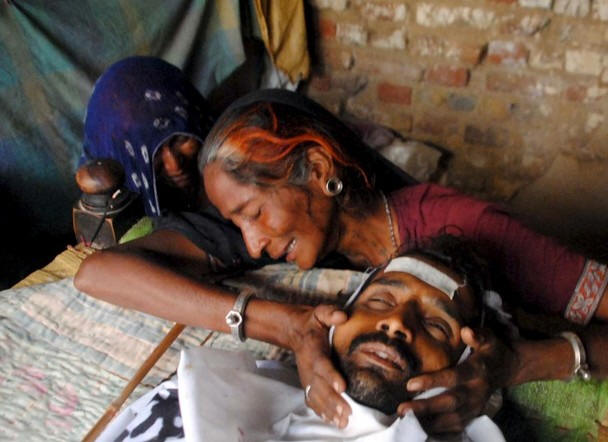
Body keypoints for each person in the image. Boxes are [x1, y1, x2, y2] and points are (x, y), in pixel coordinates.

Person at [74, 89, 608, 435]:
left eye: (254, 213)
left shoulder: (471, 229)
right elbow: (97, 273)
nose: (252, 244)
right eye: (238, 222)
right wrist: (287, 324)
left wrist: (520, 364)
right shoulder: (279, 234)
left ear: (317, 168)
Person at [96, 236, 509, 441]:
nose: (397, 323)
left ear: (465, 365)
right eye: (380, 300)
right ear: (336, 318)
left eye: (436, 326)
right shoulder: (188, 400)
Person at [80, 56, 214, 216]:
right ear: (119, 155)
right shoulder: (105, 219)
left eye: (180, 139)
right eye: (150, 153)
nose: (175, 166)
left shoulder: (231, 153)